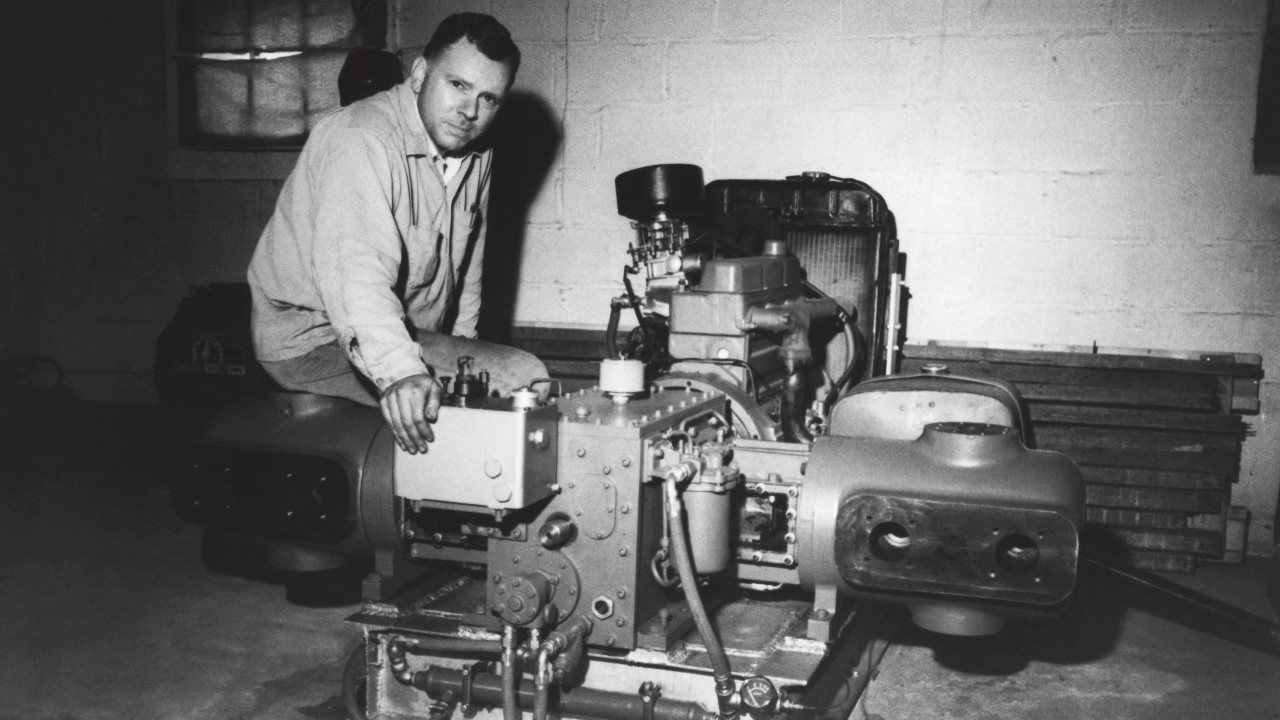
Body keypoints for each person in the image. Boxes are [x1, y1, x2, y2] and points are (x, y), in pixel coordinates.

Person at [247, 13, 546, 456]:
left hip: (400, 331)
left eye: (489, 98)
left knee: (507, 381)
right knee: (521, 378)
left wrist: (463, 351)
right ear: (421, 74)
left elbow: (468, 266)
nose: (470, 112)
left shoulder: (474, 151)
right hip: (314, 338)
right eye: (458, 85)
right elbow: (356, 275)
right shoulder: (362, 139)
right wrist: (401, 373)